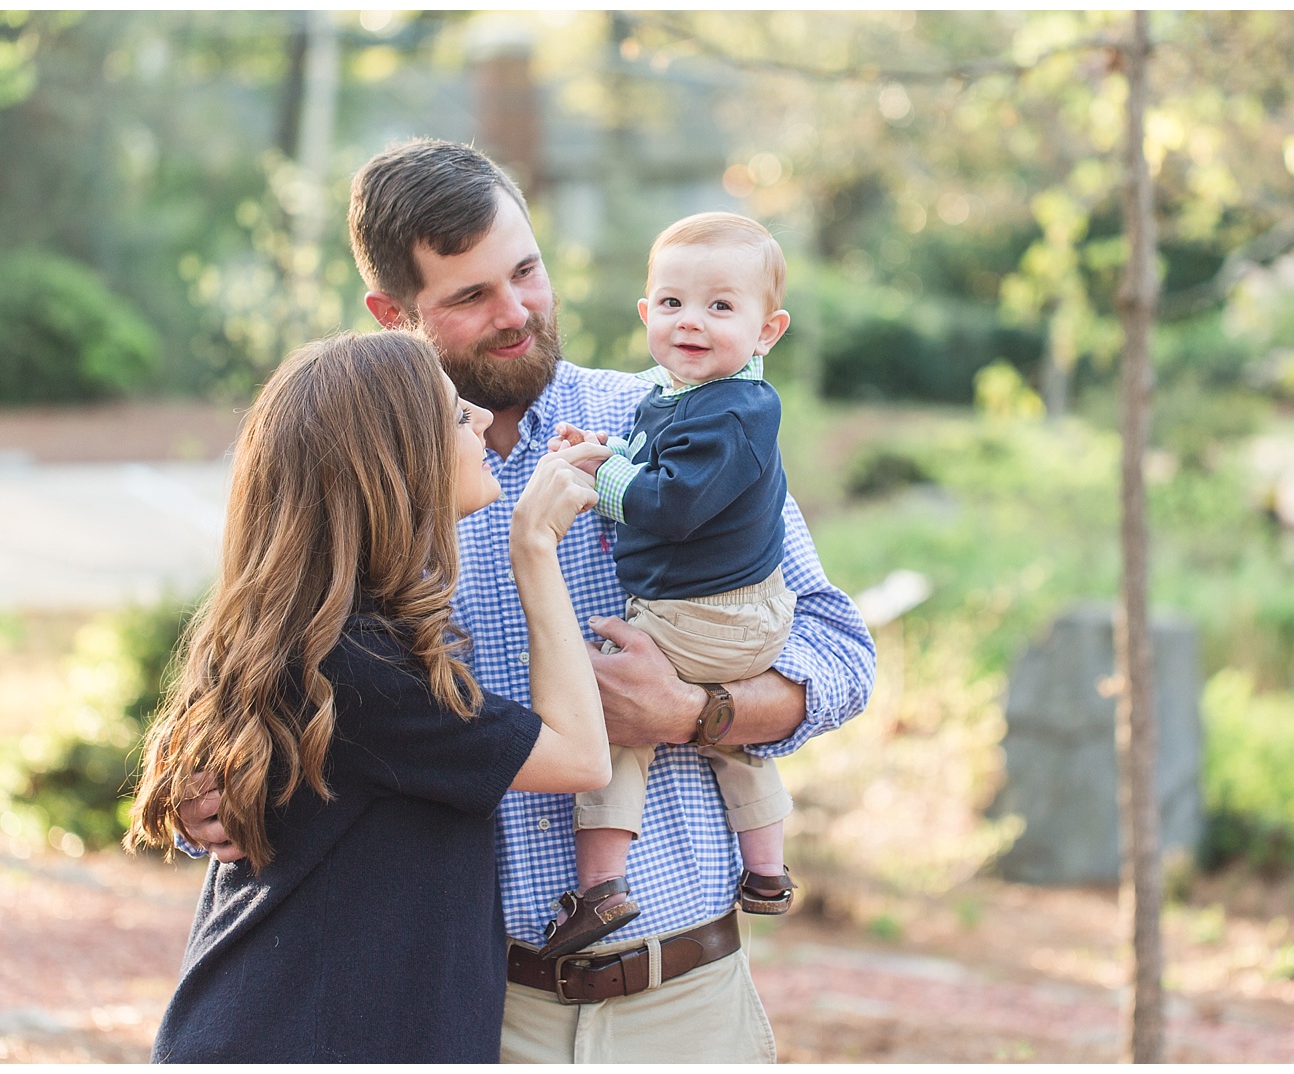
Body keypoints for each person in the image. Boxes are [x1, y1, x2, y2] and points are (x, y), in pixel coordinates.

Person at [178, 137, 876, 1064]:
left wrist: (695, 711)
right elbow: (272, 676)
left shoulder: (683, 418)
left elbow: (839, 652)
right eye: (470, 296)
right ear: (392, 313)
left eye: (526, 272)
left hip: (687, 999)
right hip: (469, 1009)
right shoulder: (372, 484)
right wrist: (211, 807)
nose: (517, 313)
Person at [125, 329, 614, 1062]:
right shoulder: (358, 663)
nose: (481, 420)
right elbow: (580, 757)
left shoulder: (334, 639)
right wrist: (534, 547)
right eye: (455, 416)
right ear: (392, 464)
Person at [537, 211, 802, 960]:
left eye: (721, 306)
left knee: (611, 718)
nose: (693, 322)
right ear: (647, 313)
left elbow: (672, 501)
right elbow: (662, 458)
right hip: (733, 620)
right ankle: (767, 872)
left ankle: (599, 889)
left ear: (766, 330)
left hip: (704, 614)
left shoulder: (742, 409)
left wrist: (604, 475)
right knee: (739, 743)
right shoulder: (685, 398)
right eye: (675, 303)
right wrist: (607, 451)